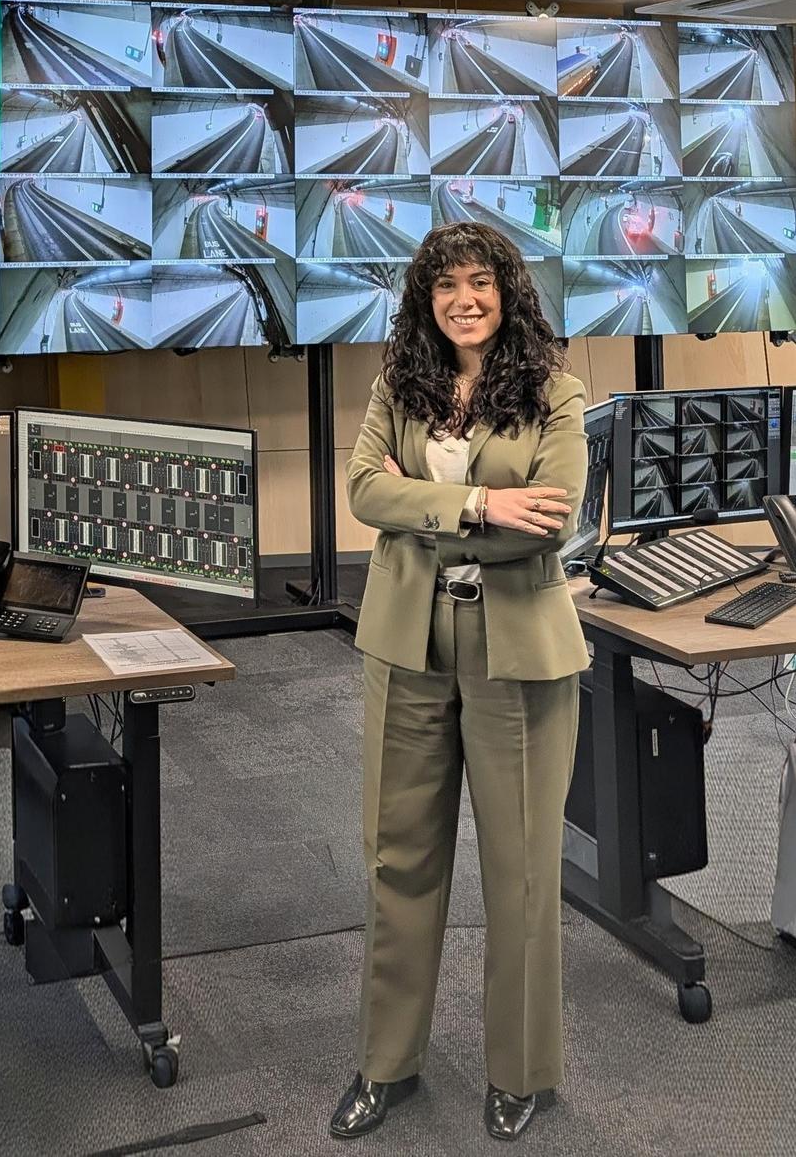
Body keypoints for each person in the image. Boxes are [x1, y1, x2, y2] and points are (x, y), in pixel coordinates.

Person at [331, 222, 588, 1145]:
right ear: (425, 301)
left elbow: (548, 521)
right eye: (445, 286)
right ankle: (385, 1064)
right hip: (407, 643)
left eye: (480, 282)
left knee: (521, 873)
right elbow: (364, 488)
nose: (463, 299)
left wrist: (423, 510)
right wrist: (480, 502)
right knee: (397, 858)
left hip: (517, 650)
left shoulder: (557, 393)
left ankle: (521, 1074)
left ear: (506, 292)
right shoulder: (398, 387)